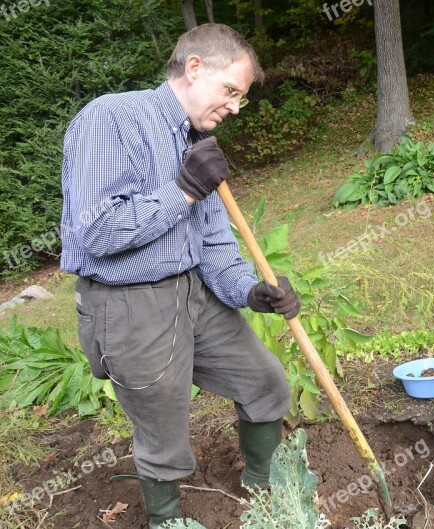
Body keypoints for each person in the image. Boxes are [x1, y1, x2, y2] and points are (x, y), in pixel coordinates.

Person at [60, 24, 299, 528]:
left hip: (197, 295)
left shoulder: (199, 141)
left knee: (264, 382)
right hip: (130, 306)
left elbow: (213, 242)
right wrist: (184, 190)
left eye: (242, 98)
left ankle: (266, 491)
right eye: (231, 91)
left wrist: (250, 291)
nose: (235, 107)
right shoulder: (111, 117)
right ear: (194, 69)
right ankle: (167, 521)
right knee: (165, 434)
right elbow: (96, 232)